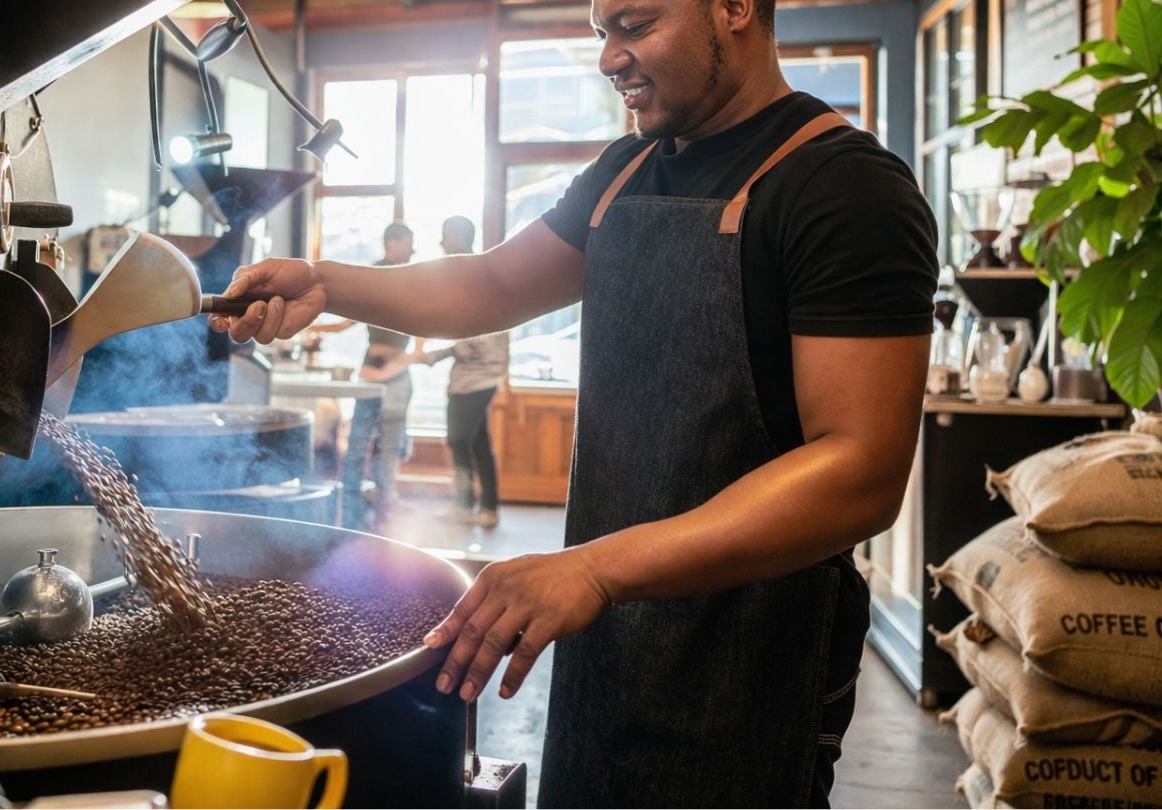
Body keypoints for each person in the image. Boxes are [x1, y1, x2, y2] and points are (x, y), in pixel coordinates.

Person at [209, 0, 938, 802]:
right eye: (601, 33)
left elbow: (859, 471)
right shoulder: (623, 170)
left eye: (635, 25)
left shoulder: (845, 187)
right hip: (609, 635)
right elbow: (488, 284)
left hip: (751, 653)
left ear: (734, 8)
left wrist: (594, 568)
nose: (608, 59)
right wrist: (328, 282)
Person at [306, 222, 418, 529]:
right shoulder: (376, 276)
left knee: (389, 446)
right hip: (372, 371)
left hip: (396, 373)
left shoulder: (412, 277)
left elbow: (422, 336)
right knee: (358, 441)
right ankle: (350, 505)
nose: (412, 249)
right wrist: (311, 325)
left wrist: (402, 363)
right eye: (408, 243)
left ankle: (384, 504)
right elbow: (348, 321)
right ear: (392, 243)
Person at [412, 216, 509, 528]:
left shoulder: (472, 275)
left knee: (457, 440)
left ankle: (466, 507)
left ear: (457, 236)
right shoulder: (481, 272)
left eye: (445, 235)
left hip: (475, 380)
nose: (441, 242)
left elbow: (473, 338)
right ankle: (487, 508)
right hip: (482, 376)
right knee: (478, 442)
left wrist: (435, 353)